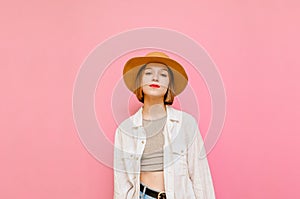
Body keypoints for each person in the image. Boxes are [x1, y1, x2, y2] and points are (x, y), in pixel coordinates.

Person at [114, 51, 215, 199]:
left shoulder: (186, 124)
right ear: (140, 82)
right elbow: (121, 185)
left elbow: (200, 176)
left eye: (163, 75)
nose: (155, 78)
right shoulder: (125, 130)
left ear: (169, 85)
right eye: (148, 73)